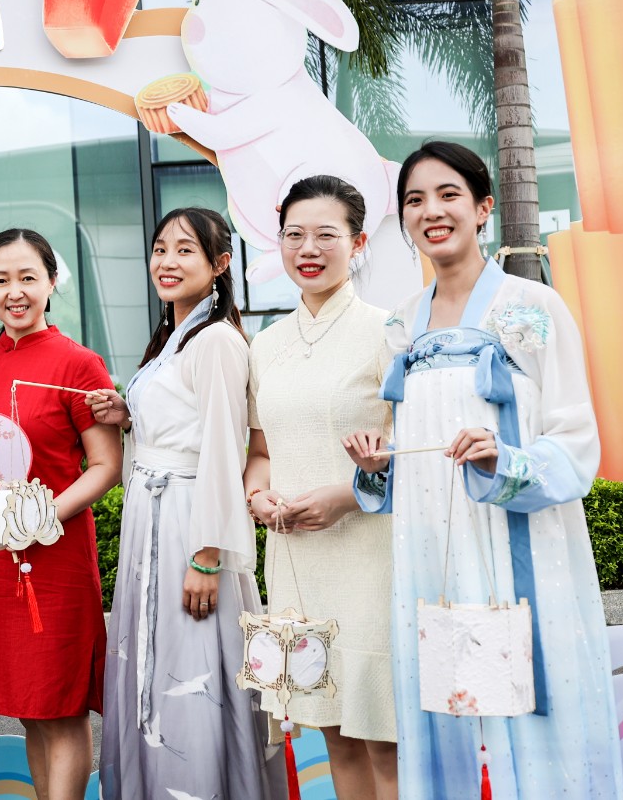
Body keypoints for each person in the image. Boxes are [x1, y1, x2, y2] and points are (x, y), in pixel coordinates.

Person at [343, 141, 622, 799]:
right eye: (415, 200)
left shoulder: (531, 307)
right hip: (431, 554)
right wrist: (378, 466)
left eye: (449, 195)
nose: (431, 212)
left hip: (519, 546)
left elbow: (575, 440)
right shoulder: (401, 325)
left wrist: (506, 458)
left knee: (537, 707)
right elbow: (412, 452)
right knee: (441, 713)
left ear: (483, 207)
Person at [88, 208, 283, 800]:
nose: (166, 262)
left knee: (190, 667)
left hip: (187, 524)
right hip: (154, 519)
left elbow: (224, 449)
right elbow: (179, 425)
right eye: (159, 249)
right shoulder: (175, 339)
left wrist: (207, 555)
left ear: (220, 264)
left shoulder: (217, 339)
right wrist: (130, 416)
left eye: (184, 250)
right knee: (155, 662)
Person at [0, 228, 122, 800]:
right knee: (29, 704)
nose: (14, 292)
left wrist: (42, 516)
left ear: (51, 281)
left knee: (61, 704)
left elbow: (106, 465)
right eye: (0, 280)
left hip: (55, 552)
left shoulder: (79, 364)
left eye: (27, 277)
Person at [243, 176, 398, 799]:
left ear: (358, 243)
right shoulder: (265, 345)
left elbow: (417, 449)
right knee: (333, 730)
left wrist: (349, 494)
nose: (308, 249)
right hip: (295, 555)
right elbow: (261, 451)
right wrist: (258, 498)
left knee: (384, 734)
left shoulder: (389, 331)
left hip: (371, 553)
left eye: (326, 235)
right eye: (294, 235)